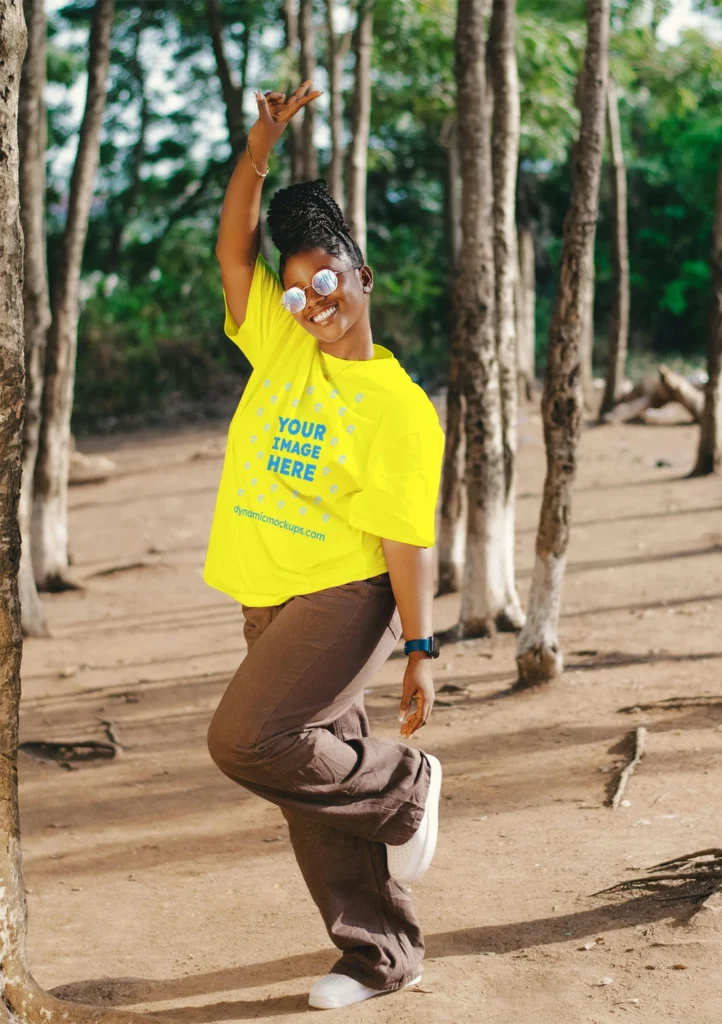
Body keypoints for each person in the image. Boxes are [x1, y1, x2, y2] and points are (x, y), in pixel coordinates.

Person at [202, 79, 446, 1011]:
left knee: (250, 739)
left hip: (344, 596)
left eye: (327, 281)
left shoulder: (395, 406)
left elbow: (402, 535)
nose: (311, 301)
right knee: (308, 773)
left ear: (363, 278)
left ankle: (406, 787)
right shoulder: (280, 345)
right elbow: (232, 247)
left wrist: (419, 649)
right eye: (297, 286)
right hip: (266, 589)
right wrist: (259, 147)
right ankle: (379, 955)